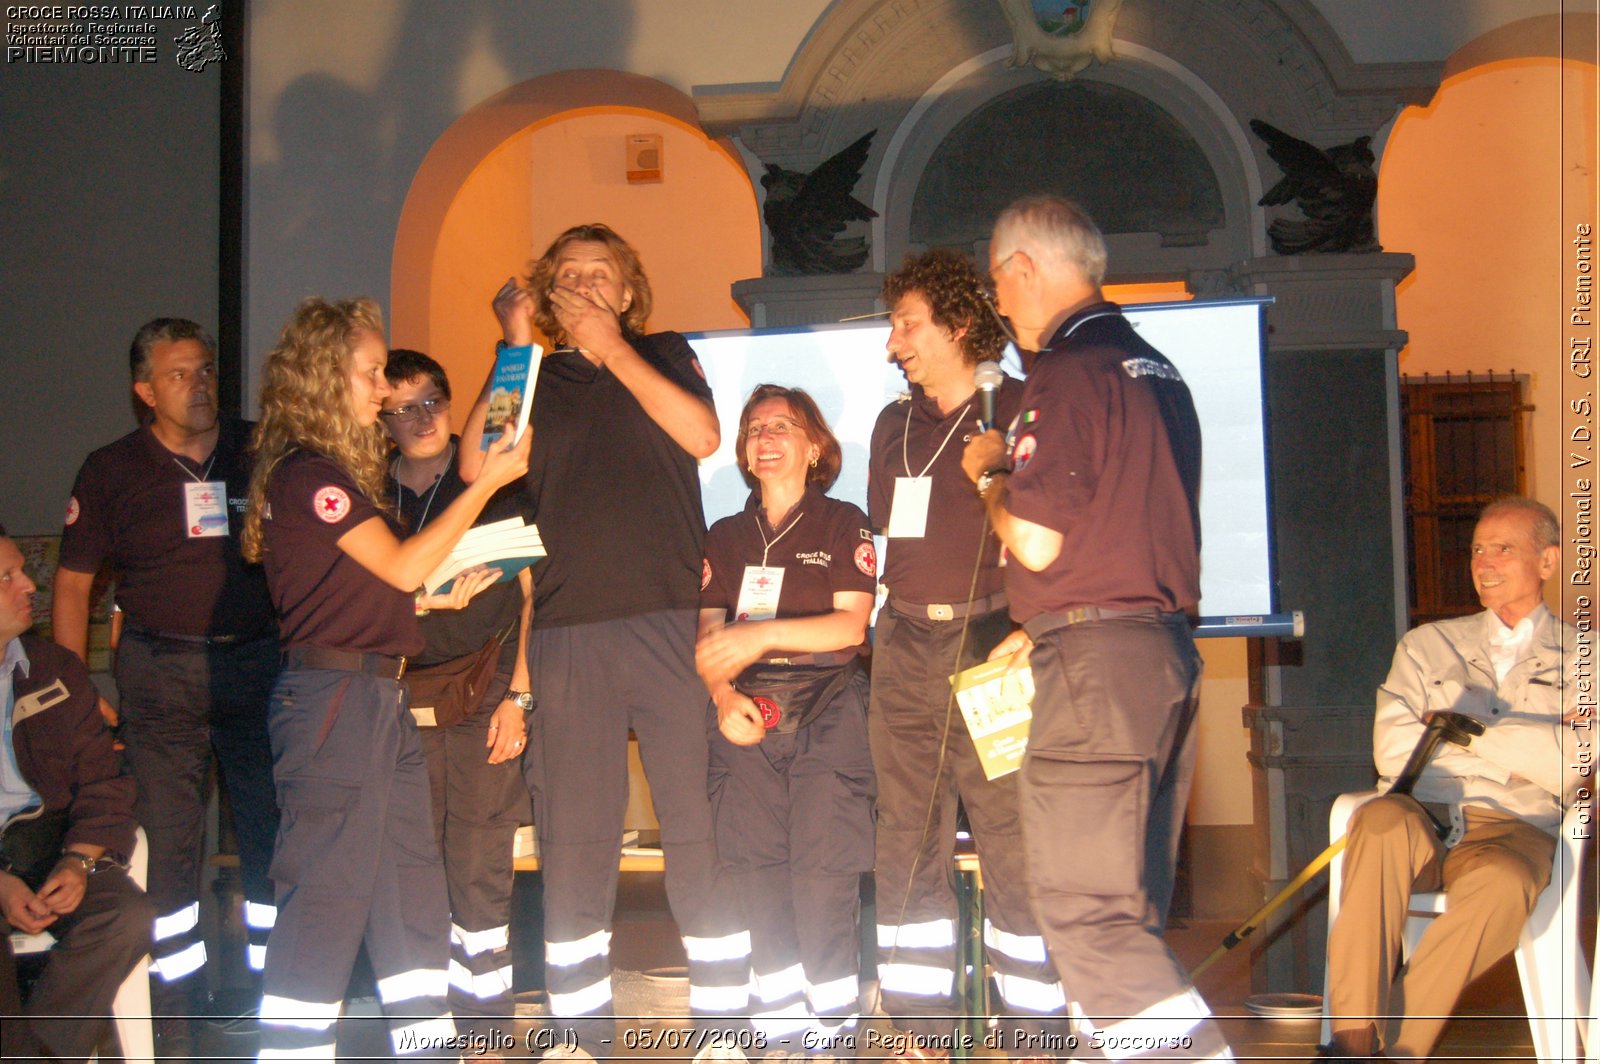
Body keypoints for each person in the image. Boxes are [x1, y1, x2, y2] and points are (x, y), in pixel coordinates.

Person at [461, 223, 748, 1056]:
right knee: (576, 837)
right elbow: (481, 463)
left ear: (626, 291)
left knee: (696, 827)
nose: (587, 286)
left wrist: (612, 346)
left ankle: (724, 1028)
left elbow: (701, 437)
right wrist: (515, 344)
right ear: (550, 295)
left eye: (603, 275)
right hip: (567, 630)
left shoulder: (661, 350)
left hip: (666, 621)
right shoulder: (535, 377)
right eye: (571, 276)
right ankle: (576, 1034)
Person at [961, 195, 1233, 1060]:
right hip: (1155, 660)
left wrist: (990, 477)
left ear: (1024, 268)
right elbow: (1123, 531)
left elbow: (1036, 540)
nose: (1001, 309)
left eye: (1000, 285)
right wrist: (1037, 630)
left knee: (1087, 915)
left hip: (1096, 676)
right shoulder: (1155, 368)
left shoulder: (1068, 372)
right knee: (1128, 911)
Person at [241, 297, 529, 1061]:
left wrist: (432, 595)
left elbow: (376, 585)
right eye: (370, 373)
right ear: (322, 376)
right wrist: (485, 482)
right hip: (336, 701)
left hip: (377, 694)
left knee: (409, 888)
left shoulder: (335, 474)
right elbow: (398, 564)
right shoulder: (311, 474)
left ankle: (427, 1048)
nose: (381, 389)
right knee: (328, 893)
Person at [52, 317, 279, 1050]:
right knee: (171, 850)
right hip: (160, 674)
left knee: (274, 837)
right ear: (145, 390)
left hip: (257, 665)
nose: (200, 385)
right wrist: (75, 692)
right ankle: (176, 1014)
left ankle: (276, 995)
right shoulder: (111, 469)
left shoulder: (258, 450)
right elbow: (73, 588)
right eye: (180, 374)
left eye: (206, 369)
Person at [868, 249, 1067, 1055]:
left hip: (993, 643)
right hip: (904, 641)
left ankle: (1034, 1036)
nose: (893, 343)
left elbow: (1060, 533)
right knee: (905, 841)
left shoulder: (1018, 407)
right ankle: (922, 1035)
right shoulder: (891, 424)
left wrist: (1039, 628)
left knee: (1013, 845)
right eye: (892, 326)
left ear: (958, 325)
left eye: (907, 325)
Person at [1322, 496, 1577, 1062]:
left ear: (1548, 562)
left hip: (1513, 828)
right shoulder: (1427, 645)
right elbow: (1392, 753)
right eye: (1477, 549)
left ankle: (1403, 1051)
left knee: (1504, 885)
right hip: (1424, 815)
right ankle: (1351, 1045)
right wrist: (1529, 737)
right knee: (1380, 821)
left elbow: (1575, 766)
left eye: (1503, 549)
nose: (1484, 562)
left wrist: (1462, 730)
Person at [696, 385, 876, 1050]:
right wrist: (723, 696)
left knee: (823, 884)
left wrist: (762, 637)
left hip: (828, 709)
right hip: (745, 718)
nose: (765, 438)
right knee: (759, 881)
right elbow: (710, 637)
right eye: (754, 429)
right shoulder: (725, 534)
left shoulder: (842, 520)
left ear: (815, 447)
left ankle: (833, 1041)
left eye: (782, 426)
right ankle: (780, 1039)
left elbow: (851, 627)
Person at [381, 348, 534, 1048]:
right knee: (410, 867)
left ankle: (487, 1036)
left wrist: (519, 697)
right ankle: (425, 1034)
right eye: (400, 406)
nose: (417, 418)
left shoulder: (491, 482)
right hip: (393, 699)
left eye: (430, 402)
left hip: (485, 690)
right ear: (380, 418)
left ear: (453, 406)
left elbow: (534, 595)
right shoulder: (365, 496)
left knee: (479, 866)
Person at [0, 525, 154, 1063]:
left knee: (126, 914)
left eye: (22, 570)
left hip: (47, 846)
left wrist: (77, 862)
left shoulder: (54, 672)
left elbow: (103, 785)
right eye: (8, 577)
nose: (29, 587)